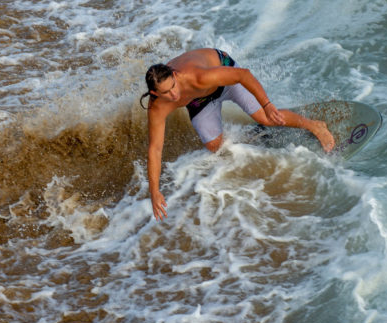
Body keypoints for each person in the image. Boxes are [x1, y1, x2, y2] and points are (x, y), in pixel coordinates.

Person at [140, 48, 335, 221]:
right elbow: (155, 149)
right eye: (166, 92)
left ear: (175, 75)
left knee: (265, 118)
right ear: (155, 94)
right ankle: (253, 135)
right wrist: (154, 191)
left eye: (173, 85)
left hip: (226, 79)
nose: (174, 95)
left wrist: (267, 105)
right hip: (201, 98)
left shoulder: (197, 76)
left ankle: (315, 125)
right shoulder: (158, 107)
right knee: (215, 146)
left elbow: (243, 75)